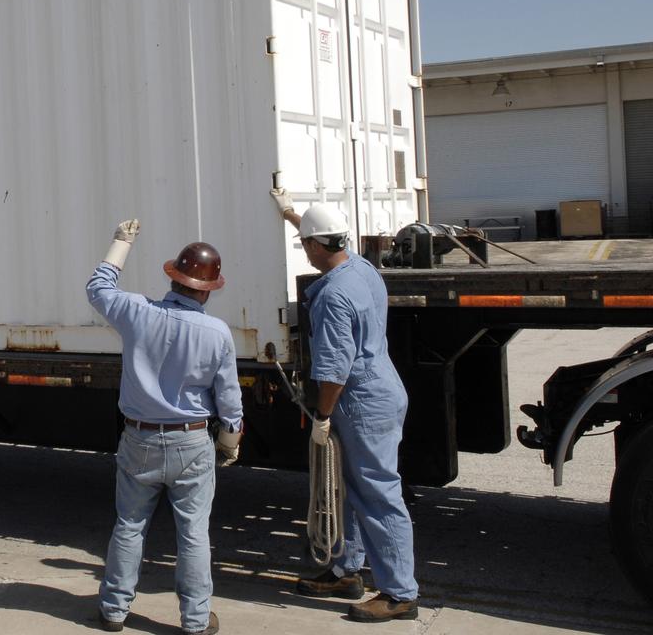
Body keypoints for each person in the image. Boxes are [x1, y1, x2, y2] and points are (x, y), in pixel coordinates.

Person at [87, 220, 243, 635]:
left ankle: (114, 611)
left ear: (173, 276)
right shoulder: (217, 333)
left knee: (130, 525)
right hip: (192, 441)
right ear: (208, 289)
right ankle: (195, 621)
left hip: (139, 437)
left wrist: (121, 242)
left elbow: (97, 289)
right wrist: (229, 441)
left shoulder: (137, 312)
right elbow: (229, 401)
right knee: (193, 534)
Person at [270, 189, 419, 622]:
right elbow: (321, 235)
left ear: (318, 247)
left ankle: (399, 593)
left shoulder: (334, 296)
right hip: (383, 389)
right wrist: (290, 214)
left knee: (377, 493)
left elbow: (334, 370)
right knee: (350, 489)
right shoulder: (362, 267)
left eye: (305, 245)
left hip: (360, 399)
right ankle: (346, 570)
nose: (305, 251)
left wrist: (321, 415)